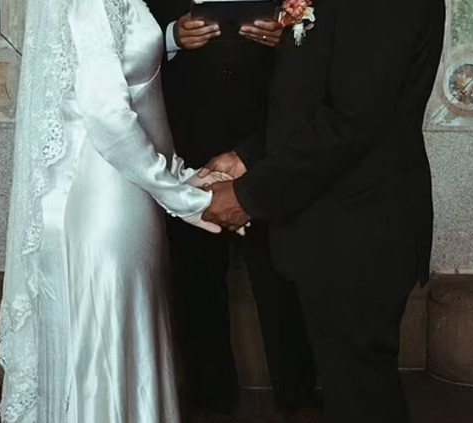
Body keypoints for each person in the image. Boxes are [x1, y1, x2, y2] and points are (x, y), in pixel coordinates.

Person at [201, 0, 446, 422]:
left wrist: (250, 195)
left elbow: (353, 119)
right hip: (335, 223)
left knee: (362, 399)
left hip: (359, 226)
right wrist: (250, 156)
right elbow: (315, 95)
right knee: (349, 392)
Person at [0, 0, 226, 422]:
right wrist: (182, 198)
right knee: (110, 343)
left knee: (129, 341)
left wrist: (181, 175)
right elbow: (107, 114)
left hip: (128, 187)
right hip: (106, 196)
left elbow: (141, 98)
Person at [145, 1, 319, 421]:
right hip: (186, 137)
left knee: (280, 271)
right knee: (195, 276)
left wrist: (288, 38)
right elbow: (124, 33)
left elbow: (324, 35)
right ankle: (210, 399)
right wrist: (170, 37)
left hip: (268, 135)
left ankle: (298, 396)